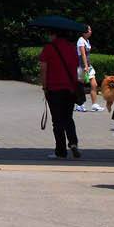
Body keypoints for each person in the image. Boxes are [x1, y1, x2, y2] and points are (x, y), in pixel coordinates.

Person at [38, 28, 82, 160]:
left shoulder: (49, 48)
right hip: (70, 89)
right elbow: (77, 68)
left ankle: (61, 151)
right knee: (68, 118)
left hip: (54, 89)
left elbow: (43, 68)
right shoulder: (71, 47)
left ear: (54, 34)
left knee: (57, 121)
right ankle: (73, 143)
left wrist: (44, 86)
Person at [74, 25, 101, 112]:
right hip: (82, 66)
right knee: (80, 86)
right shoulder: (80, 41)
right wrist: (85, 66)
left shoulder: (87, 41)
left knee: (94, 85)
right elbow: (83, 54)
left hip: (88, 66)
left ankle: (94, 104)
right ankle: (80, 104)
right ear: (84, 31)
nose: (90, 31)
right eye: (89, 30)